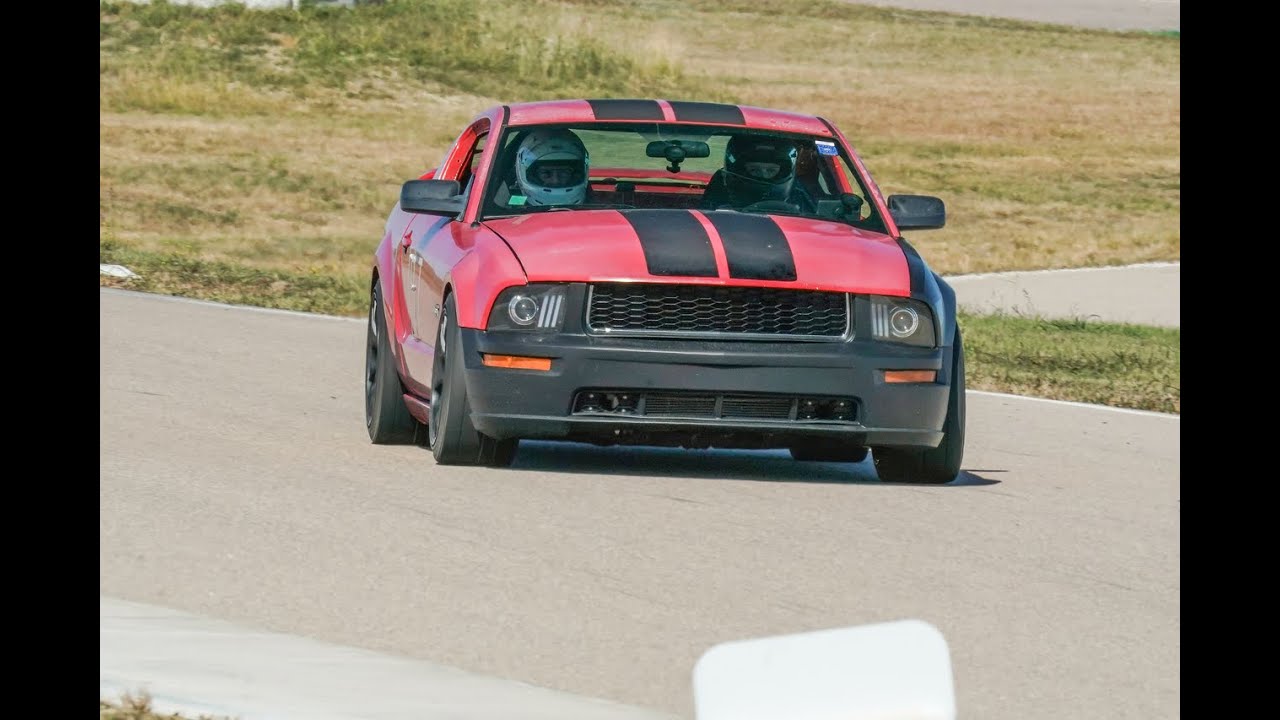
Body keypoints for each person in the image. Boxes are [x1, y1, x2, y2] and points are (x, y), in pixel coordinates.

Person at [701, 135, 816, 212]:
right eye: (754, 170)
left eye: (771, 170)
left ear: (783, 172)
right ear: (739, 170)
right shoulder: (718, 198)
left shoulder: (800, 198)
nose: (763, 176)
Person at [512, 127, 590, 206]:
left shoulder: (599, 205)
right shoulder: (511, 208)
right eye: (546, 173)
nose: (555, 181)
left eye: (563, 173)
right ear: (532, 174)